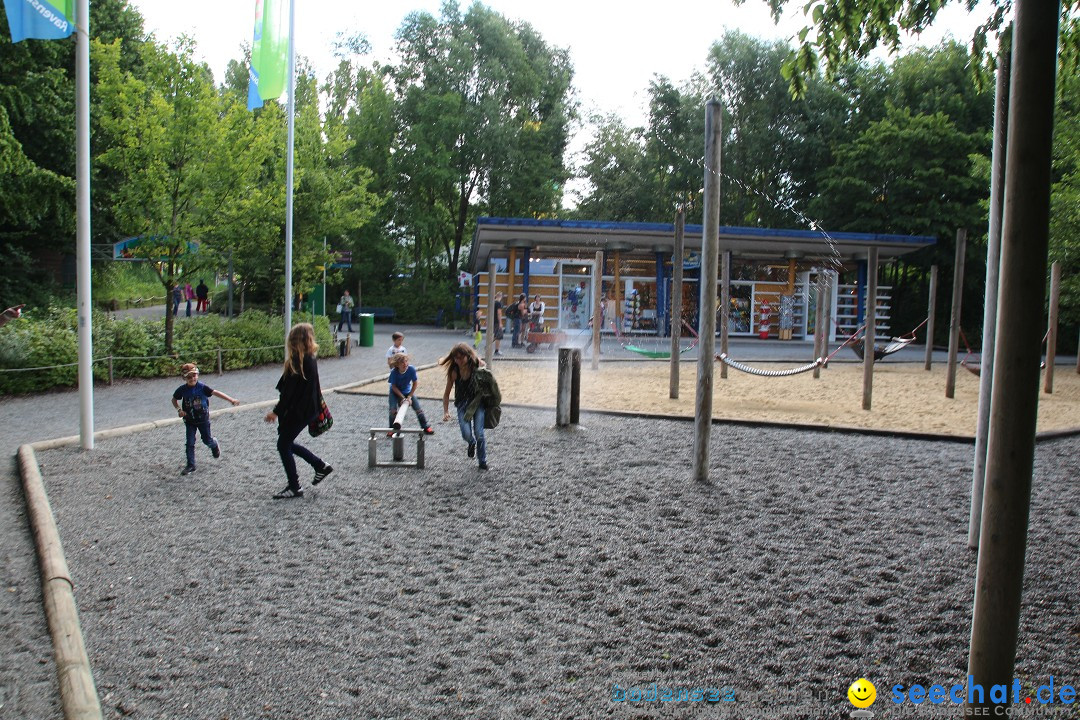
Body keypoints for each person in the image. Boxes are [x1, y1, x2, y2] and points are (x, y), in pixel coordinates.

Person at [264, 323, 334, 499]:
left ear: (293, 340)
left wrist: (276, 412)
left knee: (283, 444)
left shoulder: (299, 361)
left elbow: (289, 393)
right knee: (286, 443)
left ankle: (295, 486)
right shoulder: (309, 358)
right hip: (308, 409)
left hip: (299, 411)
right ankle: (319, 466)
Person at [171, 363, 240, 476]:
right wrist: (179, 410)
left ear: (197, 375)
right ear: (184, 378)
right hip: (189, 420)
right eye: (189, 377)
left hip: (203, 419)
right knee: (190, 442)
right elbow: (174, 400)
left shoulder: (202, 387)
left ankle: (214, 445)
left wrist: (231, 399)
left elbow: (215, 392)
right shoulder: (182, 390)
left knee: (206, 440)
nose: (192, 378)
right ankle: (191, 465)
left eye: (194, 376)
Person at [441, 343, 499, 470]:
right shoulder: (454, 372)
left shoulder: (475, 365)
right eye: (456, 358)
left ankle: (482, 461)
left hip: (477, 403)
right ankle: (471, 443)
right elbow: (446, 394)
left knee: (479, 433)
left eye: (461, 358)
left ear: (467, 356)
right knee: (466, 433)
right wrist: (446, 411)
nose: (459, 361)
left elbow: (486, 372)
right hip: (462, 404)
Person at [387, 353, 434, 436]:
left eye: (406, 361)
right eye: (402, 363)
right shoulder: (394, 372)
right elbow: (393, 387)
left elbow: (415, 383)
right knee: (392, 410)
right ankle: (392, 429)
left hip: (407, 391)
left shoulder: (411, 369)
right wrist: (402, 398)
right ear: (397, 365)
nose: (405, 364)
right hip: (394, 393)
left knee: (418, 409)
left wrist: (409, 396)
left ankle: (425, 426)